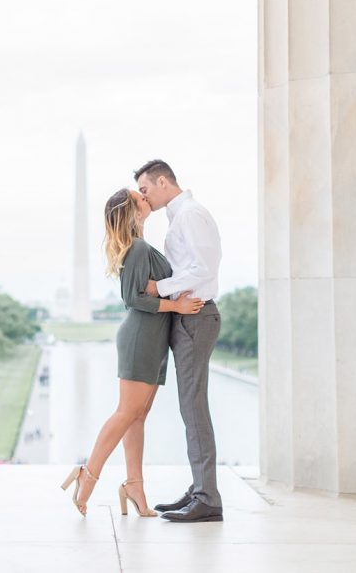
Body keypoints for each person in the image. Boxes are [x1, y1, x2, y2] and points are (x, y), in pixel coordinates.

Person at [61, 188, 204, 516]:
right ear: (132, 209)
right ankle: (88, 474)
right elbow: (133, 298)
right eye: (138, 195)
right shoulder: (137, 249)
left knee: (138, 415)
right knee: (126, 412)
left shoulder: (140, 246)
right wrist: (177, 305)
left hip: (152, 338)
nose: (145, 195)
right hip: (141, 337)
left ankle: (134, 485)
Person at [135, 159, 223, 523]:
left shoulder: (189, 214)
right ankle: (199, 489)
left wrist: (160, 288)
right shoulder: (180, 215)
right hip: (189, 316)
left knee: (193, 407)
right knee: (190, 407)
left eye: (144, 190)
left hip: (196, 316)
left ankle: (207, 498)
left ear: (161, 181)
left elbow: (203, 268)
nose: (143, 197)